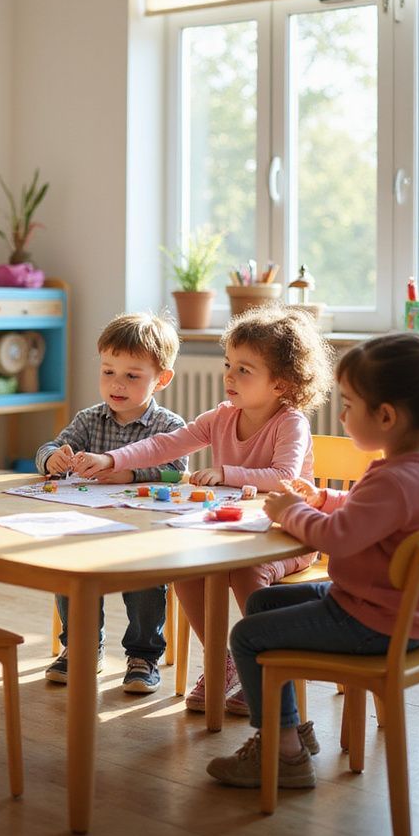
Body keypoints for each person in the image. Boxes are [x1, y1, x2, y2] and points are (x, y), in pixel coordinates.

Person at [206, 331, 419, 789]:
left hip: (372, 621)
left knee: (248, 636)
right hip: (404, 614)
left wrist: (291, 509)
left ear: (387, 416)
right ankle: (293, 726)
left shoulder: (392, 481)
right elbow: (369, 514)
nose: (341, 414)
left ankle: (283, 752)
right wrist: (324, 496)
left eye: (351, 404)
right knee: (262, 605)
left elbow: (339, 538)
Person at [74, 305, 334, 713]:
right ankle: (223, 658)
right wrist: (113, 460)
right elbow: (165, 445)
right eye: (228, 364)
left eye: (244, 370)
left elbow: (284, 474)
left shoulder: (290, 422)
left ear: (281, 384)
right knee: (186, 570)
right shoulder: (222, 416)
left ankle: (259, 667)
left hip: (287, 538)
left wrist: (226, 471)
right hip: (232, 534)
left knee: (247, 570)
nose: (229, 376)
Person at [35, 312, 187, 693]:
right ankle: (82, 648)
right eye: (108, 372)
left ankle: (143, 655)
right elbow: (50, 448)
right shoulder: (90, 420)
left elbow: (176, 471)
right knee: (70, 569)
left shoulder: (168, 426)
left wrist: (131, 475)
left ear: (161, 379)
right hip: (88, 527)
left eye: (132, 376)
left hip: (144, 532)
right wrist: (51, 459)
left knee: (145, 582)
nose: (116, 384)